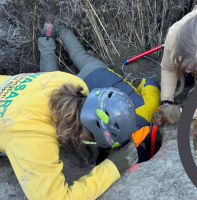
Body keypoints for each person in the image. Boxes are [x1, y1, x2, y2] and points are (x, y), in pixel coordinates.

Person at [0, 19, 160, 200]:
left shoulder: (71, 83)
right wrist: (112, 167)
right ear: (88, 137)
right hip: (12, 121)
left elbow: (149, 83)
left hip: (29, 88)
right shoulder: (31, 138)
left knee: (67, 60)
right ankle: (48, 35)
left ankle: (54, 28)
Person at [38, 20, 161, 163]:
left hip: (98, 72)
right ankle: (46, 36)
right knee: (48, 77)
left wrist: (133, 92)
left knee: (77, 52)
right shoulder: (104, 137)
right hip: (77, 93)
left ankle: (56, 25)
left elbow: (148, 82)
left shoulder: (148, 110)